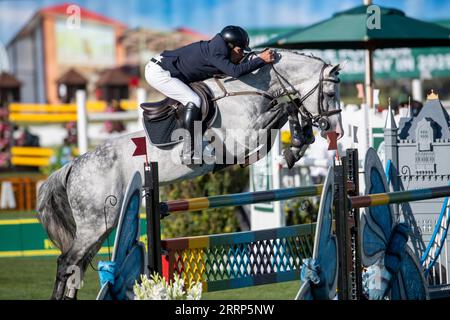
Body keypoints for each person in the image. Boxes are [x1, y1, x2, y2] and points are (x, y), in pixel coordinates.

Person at [145, 25, 275, 163]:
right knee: (194, 100)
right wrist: (261, 60)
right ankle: (190, 150)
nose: (242, 53)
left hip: (166, 67)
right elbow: (235, 72)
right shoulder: (216, 53)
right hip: (159, 73)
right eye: (240, 50)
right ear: (230, 46)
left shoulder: (219, 48)